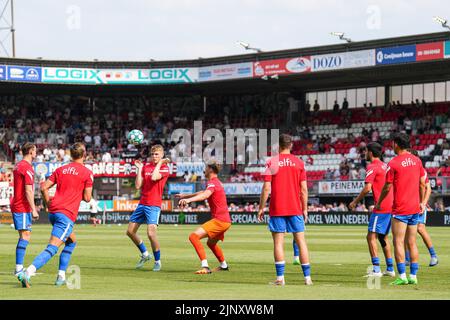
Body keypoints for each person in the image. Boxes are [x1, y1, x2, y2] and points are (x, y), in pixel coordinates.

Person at [17, 143, 94, 288]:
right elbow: (88, 198)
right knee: (52, 248)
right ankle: (27, 272)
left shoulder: (61, 169)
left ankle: (61, 276)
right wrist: (78, 192)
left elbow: (44, 187)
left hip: (54, 212)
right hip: (66, 214)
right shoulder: (87, 173)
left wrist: (49, 204)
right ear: (84, 154)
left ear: (71, 155)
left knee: (71, 241)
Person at [258, 134, 312, 286]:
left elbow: (266, 188)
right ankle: (307, 278)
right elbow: (304, 189)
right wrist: (305, 209)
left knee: (278, 243)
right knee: (301, 242)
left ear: (278, 145)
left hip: (277, 208)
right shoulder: (299, 162)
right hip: (295, 208)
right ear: (291, 145)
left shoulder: (272, 162)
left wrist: (261, 207)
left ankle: (280, 278)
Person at [375, 133, 427, 286]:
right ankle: (414, 276)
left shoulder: (394, 163)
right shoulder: (417, 161)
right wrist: (421, 202)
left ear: (396, 144)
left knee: (398, 241)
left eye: (393, 143)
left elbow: (388, 186)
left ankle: (402, 276)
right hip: (414, 207)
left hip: (400, 208)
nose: (391, 145)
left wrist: (379, 201)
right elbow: (422, 183)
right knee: (412, 242)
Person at [349, 142, 395, 277]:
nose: (364, 154)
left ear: (370, 152)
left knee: (370, 237)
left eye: (366, 151)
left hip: (381, 207)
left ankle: (376, 269)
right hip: (390, 206)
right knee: (383, 237)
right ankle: (390, 268)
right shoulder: (386, 166)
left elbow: (367, 188)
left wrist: (355, 202)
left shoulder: (372, 166)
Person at [177, 161, 231, 274]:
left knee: (193, 237)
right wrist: (186, 195)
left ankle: (205, 267)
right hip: (225, 221)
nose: (204, 170)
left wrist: (188, 200)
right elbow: (203, 192)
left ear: (210, 169)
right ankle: (224, 265)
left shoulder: (212, 183)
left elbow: (205, 195)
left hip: (219, 221)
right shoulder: (215, 183)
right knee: (211, 243)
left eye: (206, 168)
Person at [126, 145, 170, 272]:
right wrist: (140, 169)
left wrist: (160, 163)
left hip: (154, 205)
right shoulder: (146, 167)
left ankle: (157, 261)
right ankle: (145, 254)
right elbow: (138, 185)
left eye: (157, 154)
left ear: (162, 155)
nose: (154, 156)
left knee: (151, 234)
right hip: (142, 203)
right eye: (152, 154)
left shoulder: (165, 168)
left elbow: (154, 177)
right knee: (130, 232)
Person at [405, 149, 438, 267]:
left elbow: (427, 188)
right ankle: (407, 259)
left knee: (420, 228)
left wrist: (423, 203)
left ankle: (434, 255)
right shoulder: (407, 171)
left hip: (418, 205)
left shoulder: (421, 170)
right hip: (408, 203)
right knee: (404, 231)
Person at [11, 143, 38, 277]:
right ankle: (18, 269)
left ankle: (18, 267)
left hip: (20, 204)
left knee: (24, 235)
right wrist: (34, 209)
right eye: (35, 151)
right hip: (22, 205)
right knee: (25, 235)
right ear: (31, 151)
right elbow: (28, 191)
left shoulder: (18, 165)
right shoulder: (27, 168)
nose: (36, 153)